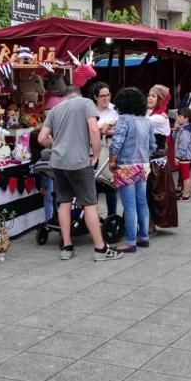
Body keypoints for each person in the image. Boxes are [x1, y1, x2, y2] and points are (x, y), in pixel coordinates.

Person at [38, 86, 123, 261]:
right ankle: (100, 249)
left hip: (58, 163)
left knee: (64, 201)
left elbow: (41, 138)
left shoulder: (54, 110)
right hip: (79, 161)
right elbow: (93, 129)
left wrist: (58, 146)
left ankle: (67, 247)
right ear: (80, 94)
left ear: (65, 96)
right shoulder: (85, 103)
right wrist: (97, 154)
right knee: (89, 203)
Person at [108, 87, 156, 253]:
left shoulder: (124, 119)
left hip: (126, 165)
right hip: (143, 165)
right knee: (142, 202)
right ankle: (144, 237)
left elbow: (116, 142)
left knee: (129, 205)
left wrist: (112, 160)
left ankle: (130, 241)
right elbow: (152, 146)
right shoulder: (146, 120)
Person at [146, 85, 178, 230]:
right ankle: (149, 222)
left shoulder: (158, 118)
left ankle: (151, 223)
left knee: (154, 192)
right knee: (150, 192)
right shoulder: (152, 114)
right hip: (151, 158)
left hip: (155, 161)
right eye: (149, 95)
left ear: (160, 99)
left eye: (153, 96)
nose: (149, 98)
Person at [90, 82, 119, 217]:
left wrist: (103, 131)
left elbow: (118, 130)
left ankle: (112, 215)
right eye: (102, 96)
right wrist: (103, 129)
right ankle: (92, 215)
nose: (106, 98)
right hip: (91, 151)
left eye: (108, 95)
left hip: (108, 150)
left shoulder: (115, 110)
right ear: (96, 97)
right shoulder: (90, 111)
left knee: (109, 184)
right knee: (92, 184)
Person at [174, 107, 191, 200]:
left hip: (184, 157)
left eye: (180, 116)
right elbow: (174, 137)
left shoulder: (185, 130)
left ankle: (186, 194)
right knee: (185, 175)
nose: (178, 118)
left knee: (185, 176)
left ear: (186, 118)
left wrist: (178, 156)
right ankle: (185, 192)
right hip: (185, 156)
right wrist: (176, 129)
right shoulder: (184, 128)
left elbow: (183, 144)